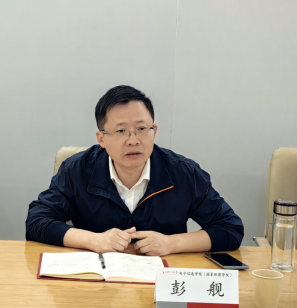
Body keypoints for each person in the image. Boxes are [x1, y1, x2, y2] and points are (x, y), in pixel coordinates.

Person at [26, 85, 244, 256]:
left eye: (141, 129)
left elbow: (230, 228)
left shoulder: (184, 173)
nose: (133, 140)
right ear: (101, 138)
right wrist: (94, 240)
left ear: (154, 131)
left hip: (162, 281)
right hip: (97, 281)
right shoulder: (77, 170)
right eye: (121, 131)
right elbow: (37, 222)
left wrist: (171, 243)